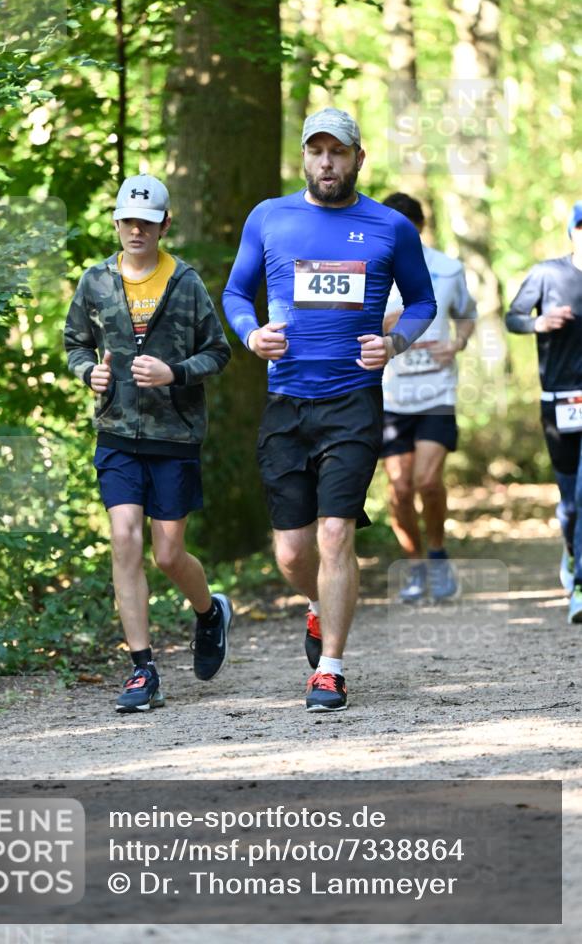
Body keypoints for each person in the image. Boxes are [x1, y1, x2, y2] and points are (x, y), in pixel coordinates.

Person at [222, 108, 437, 712]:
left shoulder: (391, 227)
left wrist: (393, 343)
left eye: (338, 152)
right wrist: (249, 332)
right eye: (317, 151)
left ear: (357, 159)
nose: (327, 162)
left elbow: (423, 301)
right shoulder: (269, 217)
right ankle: (318, 605)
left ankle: (332, 670)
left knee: (337, 531)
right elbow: (237, 292)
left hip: (352, 401)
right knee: (292, 551)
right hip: (286, 400)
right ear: (304, 158)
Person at [64, 173, 233, 711]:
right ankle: (143, 669)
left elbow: (219, 352)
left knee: (168, 552)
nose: (136, 230)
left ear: (164, 223)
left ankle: (210, 612)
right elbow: (74, 344)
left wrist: (175, 372)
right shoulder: (95, 281)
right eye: (127, 221)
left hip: (174, 434)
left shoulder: (185, 282)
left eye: (147, 221)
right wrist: (87, 371)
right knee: (125, 539)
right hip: (116, 431)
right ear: (115, 223)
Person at [380, 193, 477, 602]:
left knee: (427, 480)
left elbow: (467, 315)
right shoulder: (369, 272)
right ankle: (415, 565)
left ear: (419, 229)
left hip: (436, 390)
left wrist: (456, 344)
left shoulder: (448, 270)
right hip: (389, 394)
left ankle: (437, 554)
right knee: (400, 487)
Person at [506, 200, 582, 624]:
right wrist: (539, 322)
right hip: (561, 401)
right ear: (572, 231)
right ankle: (572, 553)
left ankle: (581, 589)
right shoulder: (548, 274)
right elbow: (512, 316)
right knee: (571, 502)